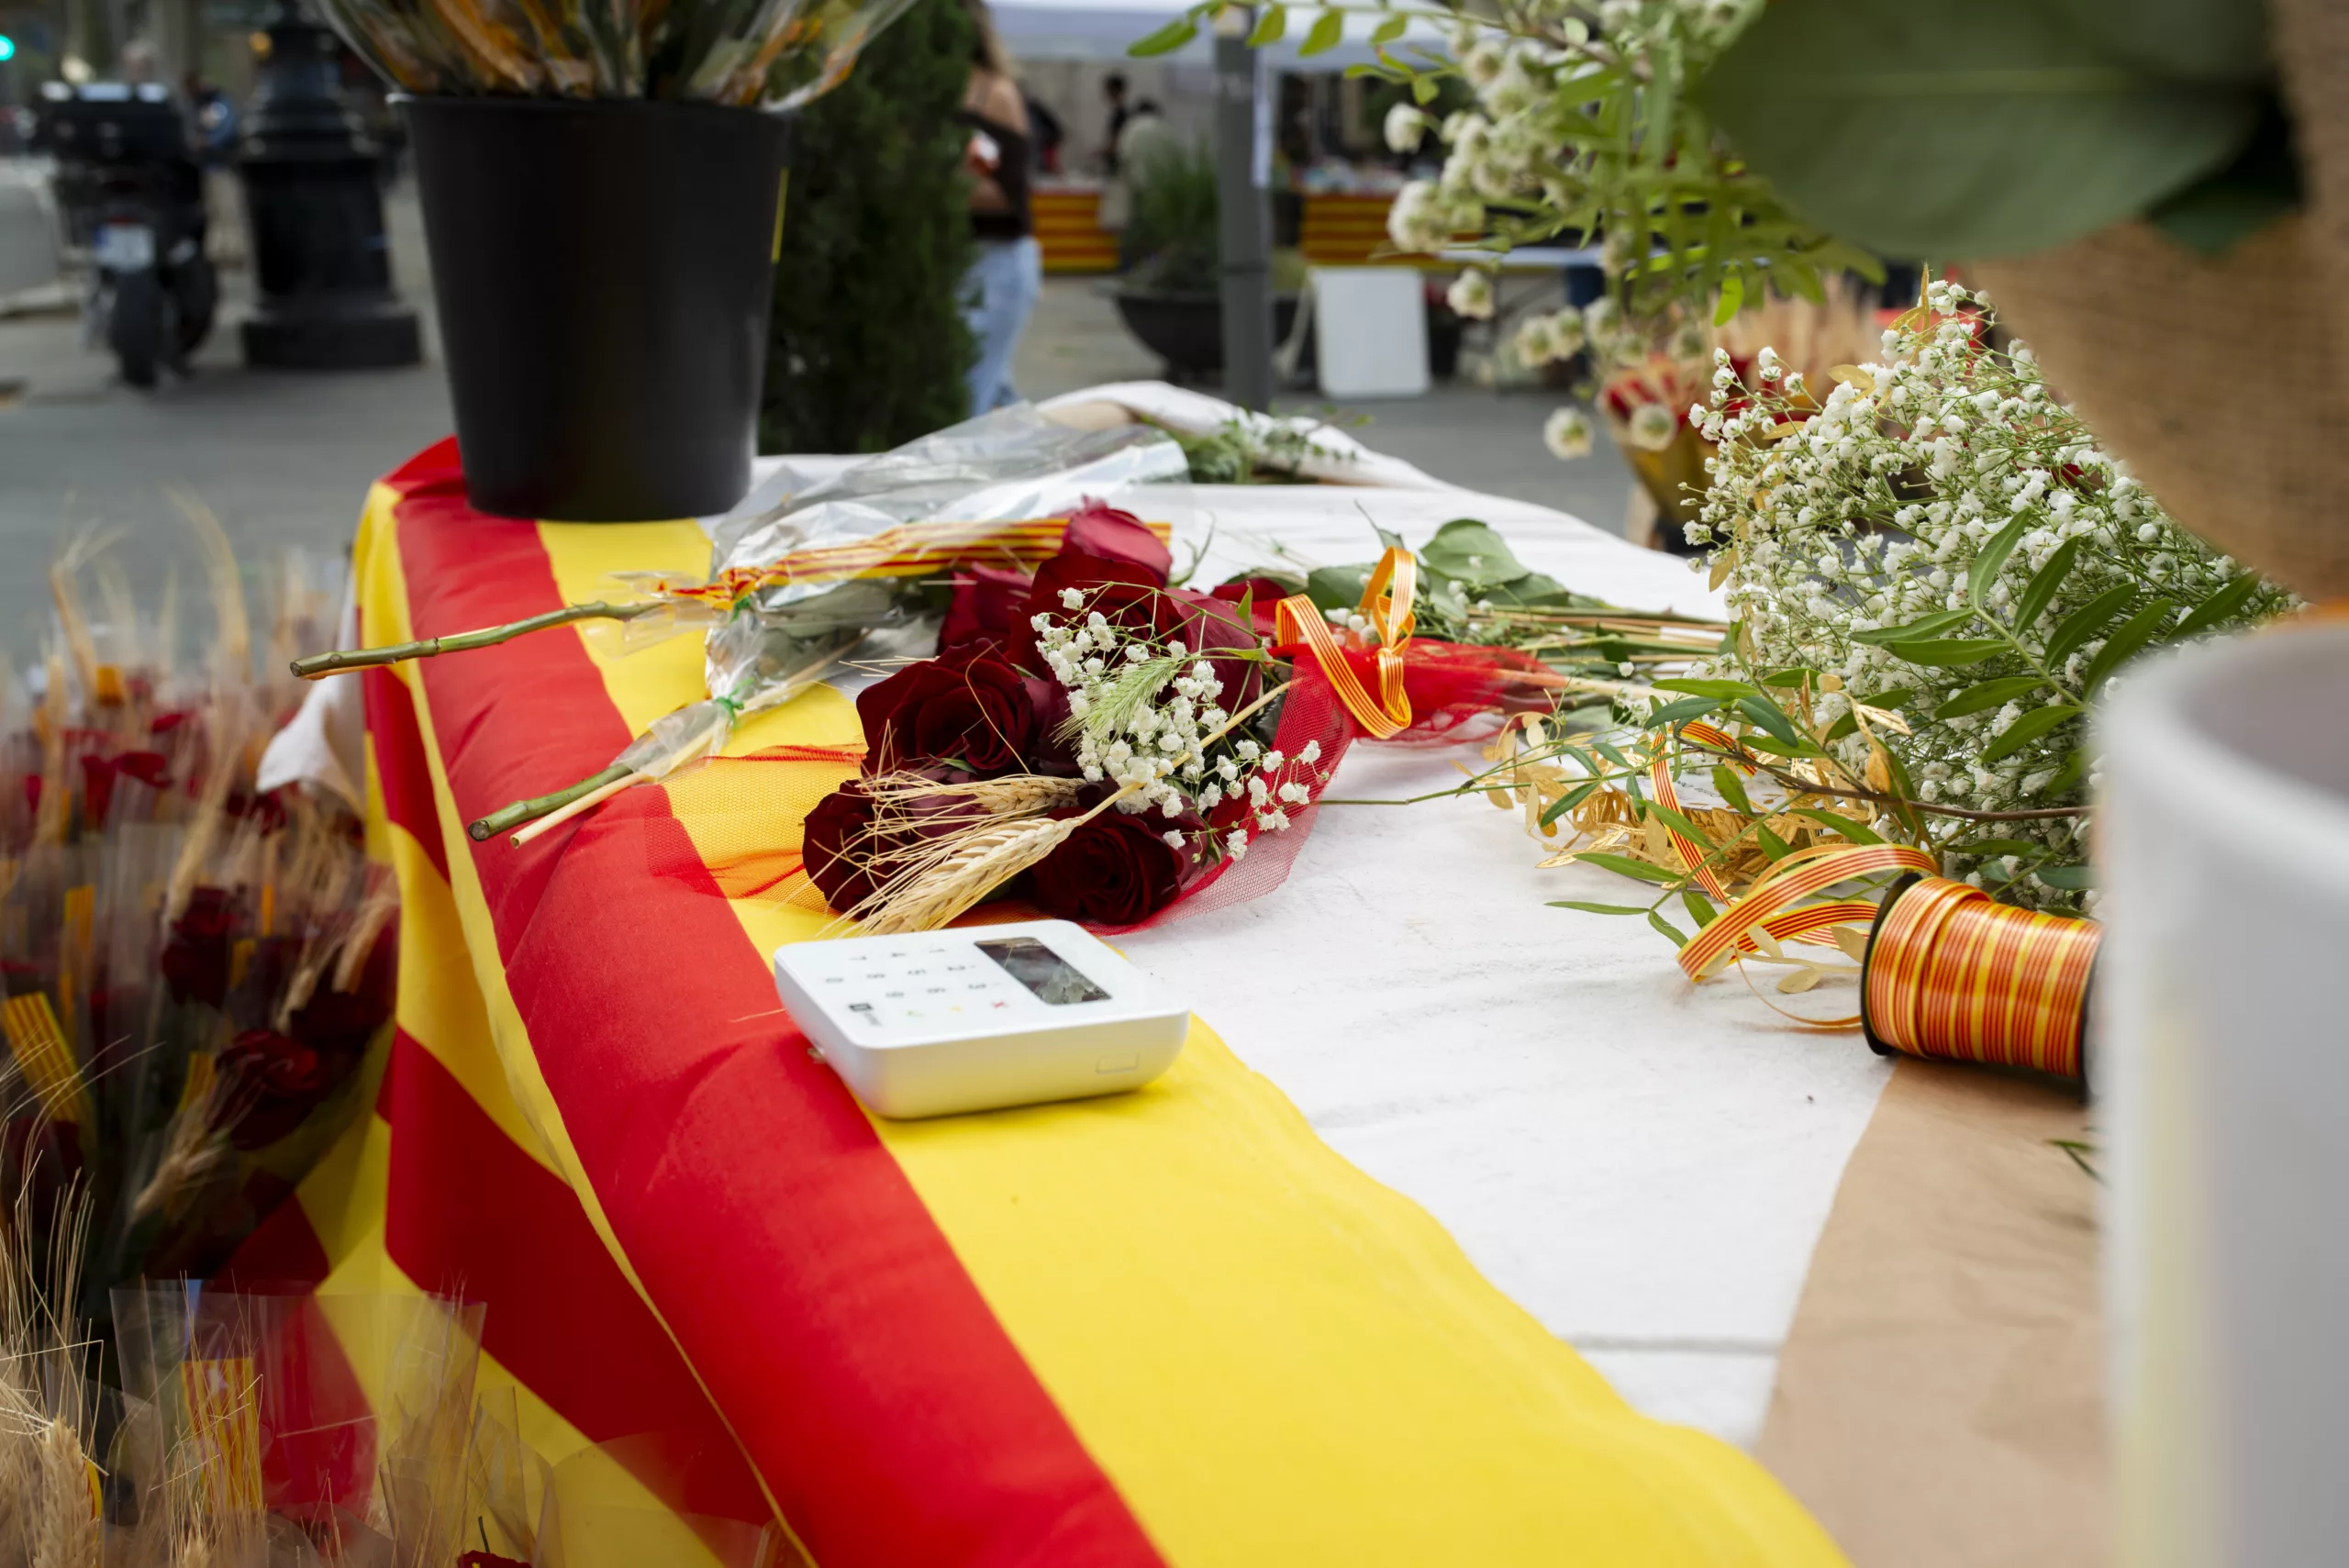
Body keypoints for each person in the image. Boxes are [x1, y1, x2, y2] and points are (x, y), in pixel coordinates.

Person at [959, 0, 1041, 416]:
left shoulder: (993, 94)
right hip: (959, 259)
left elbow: (1003, 193)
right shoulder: (929, 89)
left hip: (996, 263)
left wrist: (938, 182)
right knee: (995, 394)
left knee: (971, 390)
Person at [1101, 71, 1130, 174]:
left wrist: (1101, 152)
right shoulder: (1119, 113)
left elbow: (1117, 144)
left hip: (1118, 163)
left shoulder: (1121, 114)